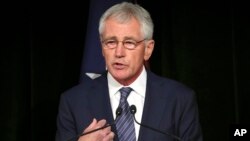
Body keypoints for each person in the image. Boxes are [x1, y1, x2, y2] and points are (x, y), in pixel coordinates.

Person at [56, 2, 203, 141]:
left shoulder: (179, 99)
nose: (119, 52)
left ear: (148, 49)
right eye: (111, 42)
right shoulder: (73, 102)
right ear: (102, 48)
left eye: (129, 43)